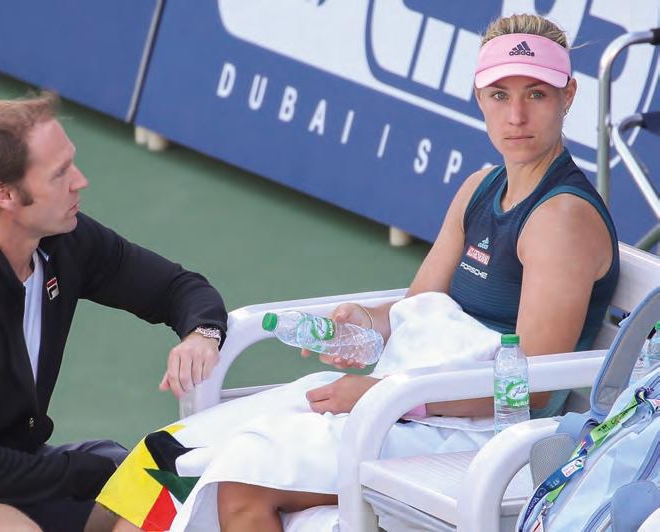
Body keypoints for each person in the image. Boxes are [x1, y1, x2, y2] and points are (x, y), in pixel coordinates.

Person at [105, 13, 619, 532]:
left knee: (236, 483)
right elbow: (415, 309)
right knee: (168, 456)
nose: (516, 116)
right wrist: (363, 325)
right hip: (409, 396)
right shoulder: (480, 187)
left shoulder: (561, 219)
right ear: (479, 98)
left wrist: (387, 394)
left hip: (476, 433)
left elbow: (525, 389)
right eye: (500, 95)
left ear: (568, 95)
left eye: (537, 94)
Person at [0, 92, 228, 532]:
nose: (80, 181)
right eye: (59, 174)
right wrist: (92, 474)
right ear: (4, 194)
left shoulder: (62, 242)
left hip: (15, 467)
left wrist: (202, 334)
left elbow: (177, 287)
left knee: (166, 497)